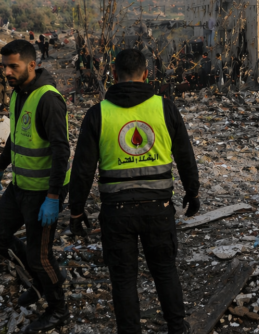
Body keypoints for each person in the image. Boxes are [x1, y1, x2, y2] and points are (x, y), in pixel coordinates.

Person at [68, 48, 200, 334]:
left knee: (123, 280)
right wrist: (193, 192)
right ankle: (177, 328)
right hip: (159, 209)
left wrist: (76, 210)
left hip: (116, 214)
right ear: (146, 74)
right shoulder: (165, 108)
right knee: (165, 271)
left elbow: (82, 170)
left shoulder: (98, 114)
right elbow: (185, 156)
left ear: (114, 75)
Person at [0, 39, 72, 332]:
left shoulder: (48, 99)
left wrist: (53, 197)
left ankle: (58, 309)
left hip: (44, 190)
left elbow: (61, 151)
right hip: (20, 185)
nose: (6, 72)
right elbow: (17, 136)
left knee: (40, 255)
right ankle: (41, 281)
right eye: (4, 66)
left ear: (32, 65)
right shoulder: (19, 94)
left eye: (13, 66)